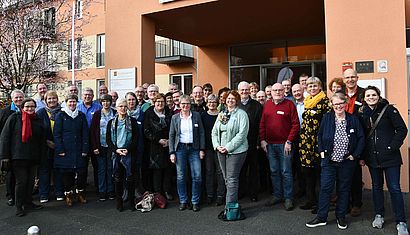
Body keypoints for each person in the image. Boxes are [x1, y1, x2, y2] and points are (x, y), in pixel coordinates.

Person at [306, 92, 364, 229]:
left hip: (347, 162)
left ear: (346, 103)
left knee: (343, 189)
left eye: (340, 103)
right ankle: (321, 217)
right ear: (332, 105)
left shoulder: (353, 119)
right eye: (335, 104)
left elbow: (361, 138)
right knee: (325, 188)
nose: (338, 106)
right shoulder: (327, 118)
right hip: (328, 161)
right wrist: (321, 152)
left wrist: (355, 155)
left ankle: (341, 216)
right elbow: (319, 135)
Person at [358, 86, 408, 234]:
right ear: (364, 98)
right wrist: (361, 156)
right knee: (376, 187)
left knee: (394, 188)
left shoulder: (389, 110)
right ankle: (379, 215)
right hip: (372, 158)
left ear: (379, 96)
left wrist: (391, 147)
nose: (371, 97)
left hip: (390, 157)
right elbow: (361, 136)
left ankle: (401, 221)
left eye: (374, 95)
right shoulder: (362, 113)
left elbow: (402, 129)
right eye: (368, 95)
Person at [0, 98, 45, 217]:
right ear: (22, 107)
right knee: (21, 182)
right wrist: (4, 156)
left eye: (32, 107)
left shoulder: (38, 120)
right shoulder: (14, 118)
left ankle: (28, 202)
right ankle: (19, 206)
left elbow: (41, 139)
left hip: (33, 156)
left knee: (30, 182)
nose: (30, 109)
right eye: (27, 107)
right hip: (18, 156)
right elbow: (5, 137)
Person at [260, 83, 300, 211]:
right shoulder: (267, 105)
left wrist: (289, 141)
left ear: (284, 92)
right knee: (274, 171)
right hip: (270, 145)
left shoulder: (290, 105)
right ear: (271, 93)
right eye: (275, 90)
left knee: (286, 172)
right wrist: (262, 140)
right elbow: (262, 124)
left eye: (280, 90)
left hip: (285, 145)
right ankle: (277, 195)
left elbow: (295, 125)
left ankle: (288, 198)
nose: (277, 92)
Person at [212, 90, 249, 212]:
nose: (230, 100)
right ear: (225, 100)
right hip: (221, 151)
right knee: (226, 178)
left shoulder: (242, 114)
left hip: (236, 151)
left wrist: (228, 147)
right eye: (228, 98)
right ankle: (232, 204)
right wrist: (217, 146)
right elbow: (214, 132)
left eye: (233, 99)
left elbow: (242, 134)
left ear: (237, 100)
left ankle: (230, 208)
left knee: (232, 179)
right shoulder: (222, 113)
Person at [299, 77, 331, 212]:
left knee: (320, 173)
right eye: (310, 86)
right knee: (308, 173)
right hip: (306, 143)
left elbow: (329, 123)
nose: (312, 88)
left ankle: (321, 203)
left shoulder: (325, 101)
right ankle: (310, 200)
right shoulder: (307, 102)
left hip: (319, 142)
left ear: (320, 86)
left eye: (315, 86)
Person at [169, 94, 205, 212]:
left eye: (187, 103)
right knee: (181, 176)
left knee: (197, 176)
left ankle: (195, 201)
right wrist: (172, 152)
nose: (185, 106)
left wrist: (201, 149)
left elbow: (201, 133)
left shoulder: (196, 116)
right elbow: (172, 135)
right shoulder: (175, 118)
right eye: (183, 103)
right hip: (180, 149)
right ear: (179, 104)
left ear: (191, 105)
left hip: (194, 149)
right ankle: (183, 201)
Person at [54, 94, 89, 207]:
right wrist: (60, 149)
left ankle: (80, 193)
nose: (72, 104)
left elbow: (85, 133)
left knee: (82, 173)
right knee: (67, 174)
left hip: (79, 149)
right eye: (70, 102)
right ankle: (68, 194)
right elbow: (57, 134)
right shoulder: (60, 115)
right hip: (66, 150)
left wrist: (85, 149)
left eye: (74, 101)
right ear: (66, 103)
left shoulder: (81, 115)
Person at [107, 98, 139, 212]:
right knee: (118, 179)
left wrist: (128, 149)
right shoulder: (111, 122)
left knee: (130, 178)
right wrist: (116, 150)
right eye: (120, 106)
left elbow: (136, 138)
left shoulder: (133, 121)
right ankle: (119, 201)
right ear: (116, 107)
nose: (123, 108)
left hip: (129, 153)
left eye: (125, 106)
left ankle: (131, 201)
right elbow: (108, 140)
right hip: (117, 154)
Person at [342, 68, 365, 217]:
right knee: (343, 174)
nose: (350, 79)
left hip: (358, 138)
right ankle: (345, 202)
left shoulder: (364, 93)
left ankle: (356, 203)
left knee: (356, 174)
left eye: (352, 77)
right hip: (342, 138)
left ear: (357, 78)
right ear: (344, 80)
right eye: (347, 77)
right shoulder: (340, 94)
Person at [144, 94, 173, 200]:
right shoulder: (149, 113)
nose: (160, 104)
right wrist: (158, 140)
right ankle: (158, 193)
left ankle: (167, 191)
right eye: (158, 102)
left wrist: (169, 141)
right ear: (154, 103)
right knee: (157, 171)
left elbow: (174, 128)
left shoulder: (169, 112)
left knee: (168, 169)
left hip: (168, 145)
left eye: (162, 101)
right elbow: (146, 131)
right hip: (154, 146)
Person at [36, 91, 64, 203]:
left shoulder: (63, 112)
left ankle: (59, 192)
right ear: (45, 100)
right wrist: (47, 142)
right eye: (49, 99)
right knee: (44, 172)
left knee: (58, 171)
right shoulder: (41, 113)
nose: (51, 101)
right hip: (45, 147)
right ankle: (43, 194)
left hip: (60, 147)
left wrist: (59, 144)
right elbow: (37, 131)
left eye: (54, 98)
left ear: (57, 99)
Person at [238, 81, 262, 202]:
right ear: (238, 91)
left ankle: (253, 193)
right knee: (241, 168)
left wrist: (258, 142)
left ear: (250, 90)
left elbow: (260, 125)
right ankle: (241, 191)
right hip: (239, 143)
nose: (244, 92)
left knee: (253, 169)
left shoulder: (257, 105)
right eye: (242, 90)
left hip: (253, 142)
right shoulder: (235, 104)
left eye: (246, 90)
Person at [0, 89, 24, 207]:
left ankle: (21, 196)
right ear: (12, 99)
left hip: (22, 149)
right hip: (9, 149)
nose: (19, 99)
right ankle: (10, 196)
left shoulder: (26, 111)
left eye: (20, 97)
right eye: (16, 98)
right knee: (11, 174)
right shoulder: (4, 112)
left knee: (22, 175)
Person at [90, 94, 116, 201]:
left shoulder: (115, 113)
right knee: (101, 169)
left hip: (111, 146)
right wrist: (95, 147)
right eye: (103, 101)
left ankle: (110, 191)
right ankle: (102, 191)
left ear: (111, 102)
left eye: (108, 101)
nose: (106, 103)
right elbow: (92, 131)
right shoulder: (97, 114)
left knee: (110, 168)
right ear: (101, 103)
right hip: (100, 145)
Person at [201, 94, 225, 206]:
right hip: (208, 148)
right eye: (210, 102)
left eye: (214, 102)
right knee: (209, 171)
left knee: (220, 172)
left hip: (220, 147)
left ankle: (220, 195)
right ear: (207, 103)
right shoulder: (203, 115)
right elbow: (201, 133)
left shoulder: (222, 115)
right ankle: (210, 195)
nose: (212, 104)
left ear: (217, 103)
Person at [77, 87, 102, 193]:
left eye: (89, 95)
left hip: (96, 141)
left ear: (93, 96)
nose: (87, 96)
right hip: (82, 141)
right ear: (82, 96)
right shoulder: (77, 107)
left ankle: (98, 188)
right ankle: (82, 189)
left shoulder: (98, 107)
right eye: (85, 94)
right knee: (82, 167)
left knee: (97, 166)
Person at [291, 84, 306, 198]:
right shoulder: (291, 105)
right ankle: (301, 189)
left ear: (303, 90)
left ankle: (309, 190)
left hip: (307, 137)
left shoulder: (309, 103)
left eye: (298, 91)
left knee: (306, 165)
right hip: (295, 137)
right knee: (296, 164)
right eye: (294, 91)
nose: (296, 93)